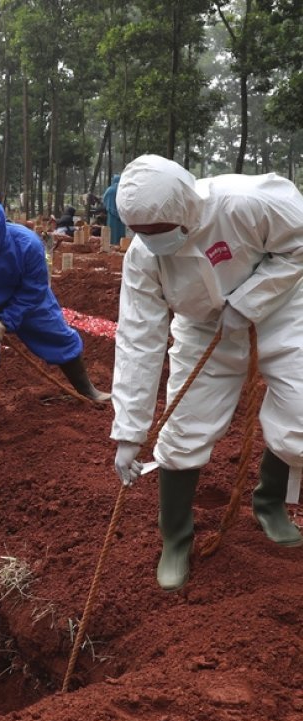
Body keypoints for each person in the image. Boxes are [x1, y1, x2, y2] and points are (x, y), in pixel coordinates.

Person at [110, 154, 303, 591]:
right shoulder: (143, 258)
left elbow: (298, 246)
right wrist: (129, 431)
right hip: (202, 328)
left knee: (300, 414)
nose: (153, 242)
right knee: (183, 429)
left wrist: (249, 301)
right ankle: (175, 538)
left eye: (160, 232)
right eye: (143, 234)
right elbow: (139, 340)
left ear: (186, 209)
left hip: (282, 310)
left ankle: (270, 503)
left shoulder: (247, 203)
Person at [0, 189, 110, 442]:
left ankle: (87, 389)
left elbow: (34, 289)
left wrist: (5, 321)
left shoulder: (27, 244)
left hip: (24, 300)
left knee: (57, 334)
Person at [103, 174, 125, 246]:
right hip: (121, 215)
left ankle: (111, 244)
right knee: (120, 231)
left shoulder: (110, 190)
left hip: (111, 216)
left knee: (112, 231)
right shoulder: (123, 190)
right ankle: (121, 244)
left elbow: (104, 200)